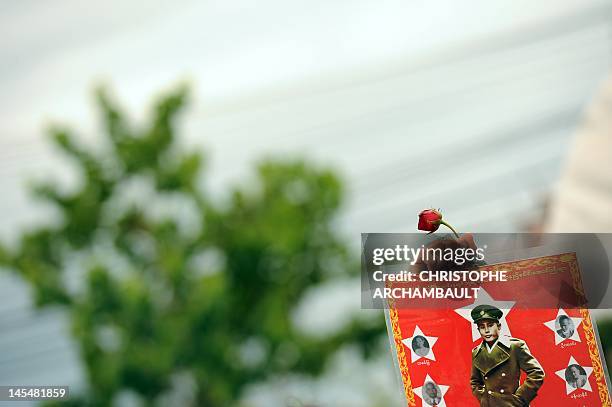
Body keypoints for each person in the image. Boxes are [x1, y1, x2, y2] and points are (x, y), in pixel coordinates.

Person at [470, 304, 545, 406]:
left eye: (490, 325)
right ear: (478, 330)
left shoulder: (514, 346)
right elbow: (475, 382)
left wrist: (520, 399)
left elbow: (536, 373)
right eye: (482, 327)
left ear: (499, 326)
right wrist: (484, 399)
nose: (486, 330)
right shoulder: (477, 352)